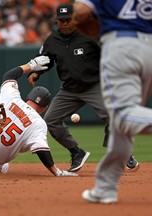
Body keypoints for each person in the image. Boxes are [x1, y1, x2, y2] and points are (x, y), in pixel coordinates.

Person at [27, 3, 139, 172]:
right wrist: (37, 73)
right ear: (57, 21)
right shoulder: (53, 40)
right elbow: (45, 58)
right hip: (69, 89)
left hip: (95, 86)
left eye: (67, 20)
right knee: (50, 121)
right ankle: (76, 152)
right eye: (61, 20)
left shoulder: (89, 35)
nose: (64, 23)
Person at [73, 0, 152, 203]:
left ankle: (105, 188)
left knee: (122, 115)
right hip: (148, 47)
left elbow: (80, 12)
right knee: (122, 128)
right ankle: (105, 188)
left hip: (122, 45)